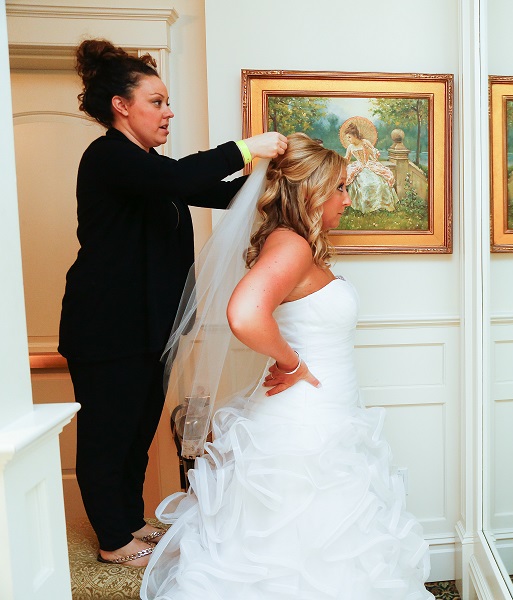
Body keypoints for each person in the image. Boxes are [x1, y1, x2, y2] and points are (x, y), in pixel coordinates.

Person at [140, 133, 434, 599]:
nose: (347, 198)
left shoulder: (293, 244)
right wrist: (292, 362)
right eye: (339, 187)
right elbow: (243, 313)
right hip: (303, 428)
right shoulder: (292, 246)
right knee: (302, 551)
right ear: (314, 192)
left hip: (326, 416)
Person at [58, 38, 287, 567]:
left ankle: (131, 520)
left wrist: (275, 184)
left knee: (138, 430)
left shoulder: (148, 167)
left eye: (166, 101)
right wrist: (248, 147)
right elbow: (182, 178)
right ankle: (114, 541)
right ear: (121, 105)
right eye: (156, 101)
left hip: (147, 329)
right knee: (108, 435)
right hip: (105, 330)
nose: (169, 111)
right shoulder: (110, 158)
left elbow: (214, 192)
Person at [343, 120, 399, 213]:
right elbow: (347, 159)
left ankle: (380, 206)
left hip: (369, 165)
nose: (348, 139)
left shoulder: (365, 142)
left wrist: (368, 148)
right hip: (358, 168)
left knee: (379, 183)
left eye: (349, 137)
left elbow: (375, 156)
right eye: (347, 138)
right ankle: (367, 208)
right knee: (365, 185)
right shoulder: (350, 147)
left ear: (355, 136)